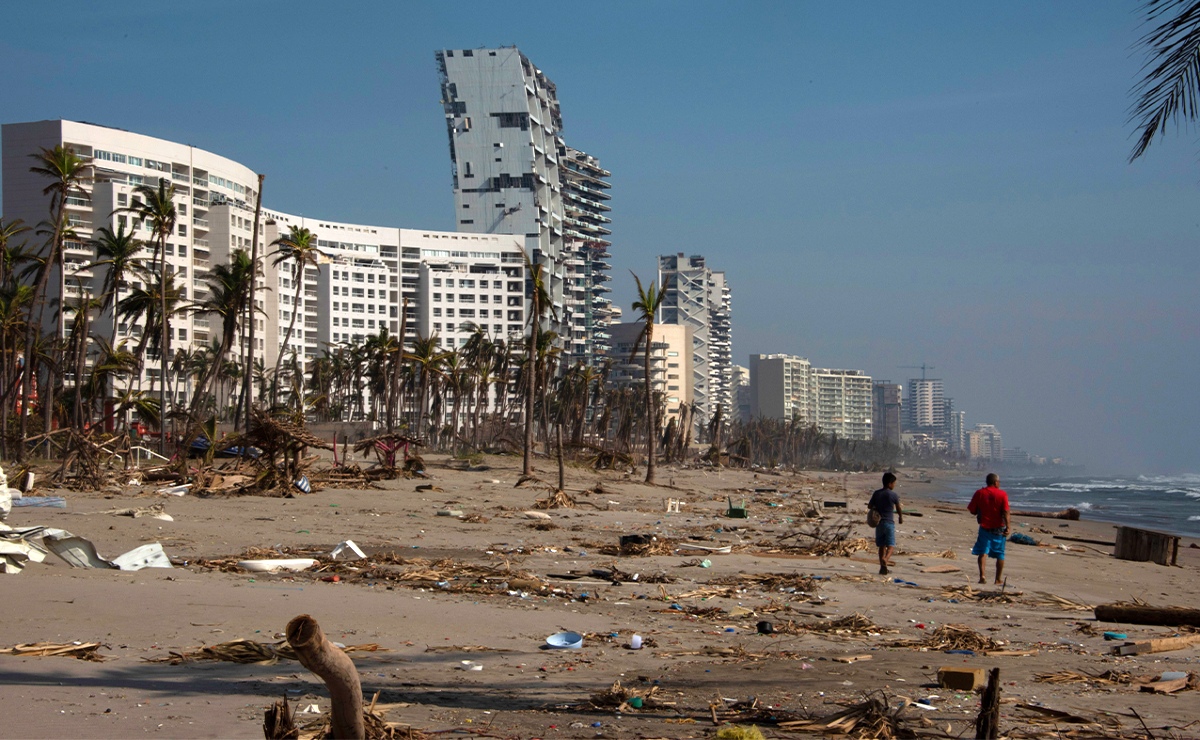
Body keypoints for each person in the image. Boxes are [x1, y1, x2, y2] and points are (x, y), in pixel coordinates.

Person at [968, 473, 1011, 584]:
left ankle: (982, 576)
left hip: (985, 527)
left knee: (983, 551)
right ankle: (997, 579)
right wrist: (1008, 527)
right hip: (999, 528)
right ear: (996, 482)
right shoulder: (1002, 494)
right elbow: (1006, 512)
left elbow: (972, 510)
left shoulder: (980, 493)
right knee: (1000, 553)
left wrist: (981, 511)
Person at [868, 472, 903, 575]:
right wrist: (900, 517)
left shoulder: (877, 493)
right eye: (894, 483)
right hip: (889, 523)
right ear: (889, 484)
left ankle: (882, 568)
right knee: (891, 545)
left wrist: (876, 507)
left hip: (879, 523)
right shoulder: (893, 495)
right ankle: (886, 559)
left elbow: (870, 506)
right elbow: (898, 508)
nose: (894, 485)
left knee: (881, 546)